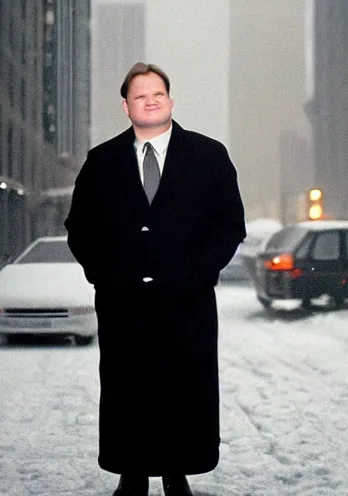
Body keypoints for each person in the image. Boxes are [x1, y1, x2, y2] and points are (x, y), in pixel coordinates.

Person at [65, 62, 246, 496]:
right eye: (140, 95)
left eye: (158, 93)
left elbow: (229, 225)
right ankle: (132, 473)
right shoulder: (102, 160)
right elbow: (80, 228)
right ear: (126, 106)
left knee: (182, 388)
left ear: (170, 101)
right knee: (129, 390)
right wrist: (105, 277)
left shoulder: (208, 155)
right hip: (123, 305)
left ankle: (176, 472)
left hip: (188, 304)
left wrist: (199, 274)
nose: (150, 100)